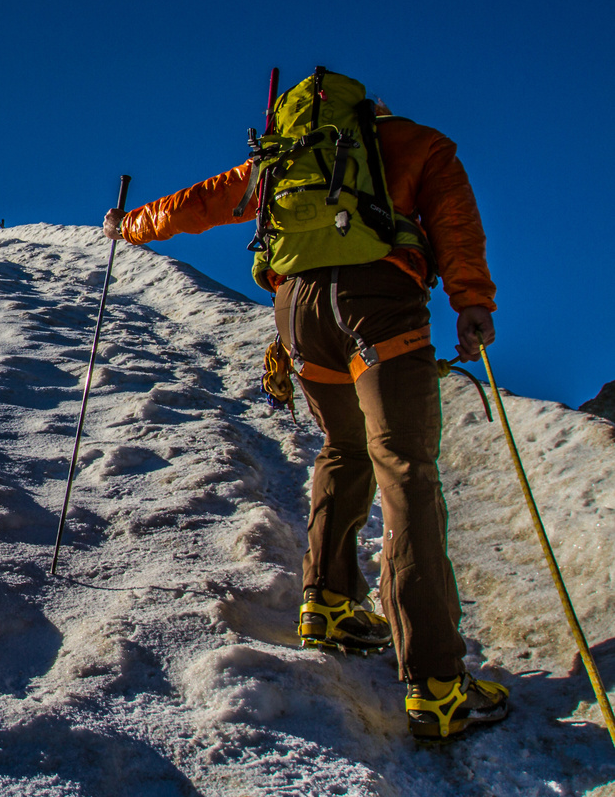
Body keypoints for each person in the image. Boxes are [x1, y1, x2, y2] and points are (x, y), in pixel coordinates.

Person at [102, 75, 509, 740]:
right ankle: (437, 684)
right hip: (378, 301)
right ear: (370, 114)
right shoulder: (414, 144)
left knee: (343, 448)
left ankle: (330, 606)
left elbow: (202, 201)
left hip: (296, 314)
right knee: (404, 465)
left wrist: (129, 226)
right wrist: (473, 304)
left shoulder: (282, 158)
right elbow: (456, 228)